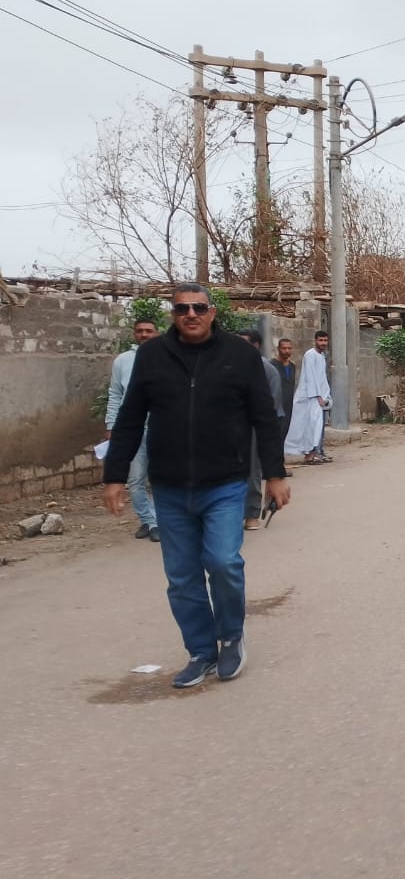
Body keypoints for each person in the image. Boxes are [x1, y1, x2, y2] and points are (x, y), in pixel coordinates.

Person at [103, 283, 289, 689]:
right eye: (182, 308)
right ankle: (201, 651)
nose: (191, 314)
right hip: (170, 487)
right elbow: (131, 418)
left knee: (223, 562)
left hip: (224, 484)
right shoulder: (153, 356)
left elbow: (264, 418)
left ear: (212, 313)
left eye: (199, 308)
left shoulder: (239, 355)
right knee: (182, 576)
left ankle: (231, 637)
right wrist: (115, 476)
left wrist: (275, 475)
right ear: (173, 314)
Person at [105, 317, 161, 543]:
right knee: (136, 479)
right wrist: (111, 425)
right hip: (133, 430)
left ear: (156, 333)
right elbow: (115, 394)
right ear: (134, 334)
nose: (144, 334)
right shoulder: (123, 361)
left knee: (159, 478)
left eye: (149, 330)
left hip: (160, 429)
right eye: (140, 331)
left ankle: (159, 521)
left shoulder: (164, 357)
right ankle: (148, 520)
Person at [237, 328, 284, 531]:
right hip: (229, 427)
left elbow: (271, 407)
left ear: (256, 346)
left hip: (255, 428)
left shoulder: (268, 371)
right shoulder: (229, 366)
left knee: (252, 470)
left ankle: (252, 513)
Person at [284, 330, 331, 465]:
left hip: (319, 397)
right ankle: (309, 456)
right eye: (320, 340)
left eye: (325, 340)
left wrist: (325, 395)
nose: (323, 343)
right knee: (309, 426)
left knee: (317, 426)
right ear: (315, 341)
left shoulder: (321, 356)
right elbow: (310, 377)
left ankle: (317, 453)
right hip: (310, 397)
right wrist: (317, 395)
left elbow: (321, 378)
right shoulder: (310, 355)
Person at [270, 337, 297, 440]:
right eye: (284, 348)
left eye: (289, 348)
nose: (287, 351)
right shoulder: (272, 365)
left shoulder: (292, 366)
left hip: (288, 407)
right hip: (276, 407)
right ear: (278, 349)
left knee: (284, 433)